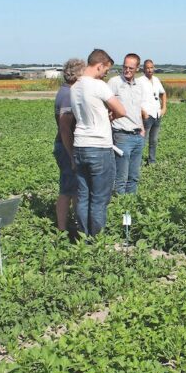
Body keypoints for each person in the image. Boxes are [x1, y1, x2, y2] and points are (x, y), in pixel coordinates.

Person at [70, 49, 127, 237]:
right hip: (99, 147)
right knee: (99, 198)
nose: (105, 74)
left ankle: (83, 237)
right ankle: (96, 241)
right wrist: (111, 116)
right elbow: (121, 110)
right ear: (99, 65)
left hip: (79, 145)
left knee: (83, 196)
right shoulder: (98, 86)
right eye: (106, 70)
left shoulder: (74, 87)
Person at [108, 53, 148, 194]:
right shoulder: (114, 83)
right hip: (122, 135)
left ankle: (130, 207)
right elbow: (106, 107)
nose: (127, 70)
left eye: (131, 68)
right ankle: (121, 209)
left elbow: (137, 110)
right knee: (121, 177)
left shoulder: (139, 86)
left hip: (137, 135)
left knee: (134, 177)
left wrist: (142, 129)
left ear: (137, 68)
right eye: (125, 67)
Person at [53, 58, 85, 232]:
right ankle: (62, 230)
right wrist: (72, 154)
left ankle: (72, 224)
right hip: (66, 147)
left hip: (66, 146)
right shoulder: (67, 95)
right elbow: (65, 129)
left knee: (73, 188)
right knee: (66, 190)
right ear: (76, 75)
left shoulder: (67, 91)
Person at [140, 59, 167, 164]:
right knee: (143, 140)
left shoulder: (156, 80)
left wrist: (164, 108)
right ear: (144, 69)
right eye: (147, 68)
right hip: (147, 115)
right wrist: (143, 112)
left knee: (154, 140)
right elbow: (135, 99)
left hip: (157, 114)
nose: (149, 70)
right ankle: (138, 162)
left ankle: (152, 161)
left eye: (151, 67)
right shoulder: (139, 81)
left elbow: (163, 93)